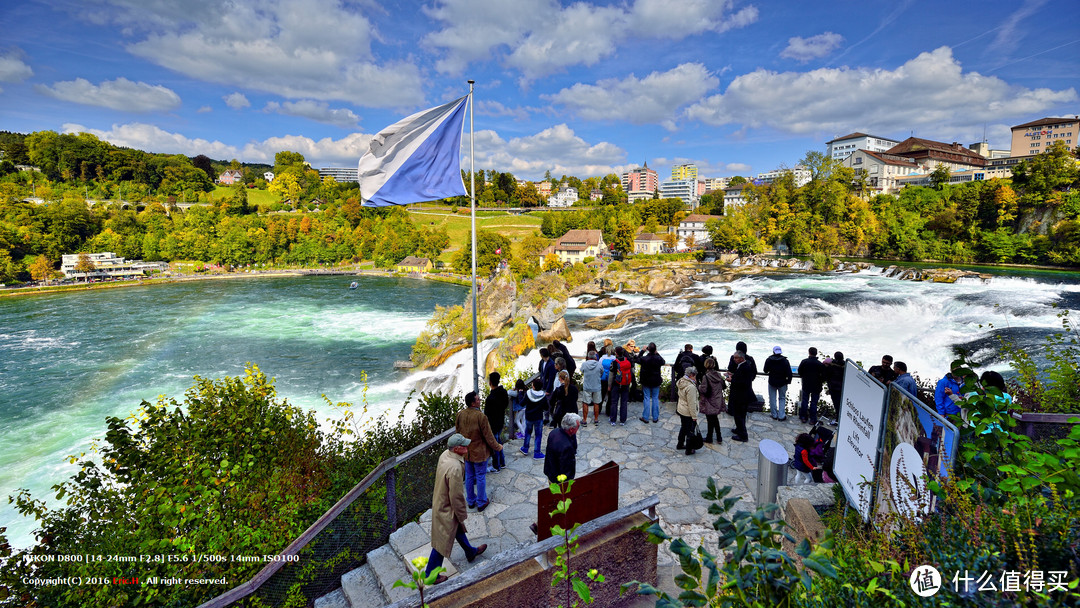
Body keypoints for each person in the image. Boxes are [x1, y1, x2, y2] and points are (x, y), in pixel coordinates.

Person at [424, 433, 487, 584]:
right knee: (442, 542)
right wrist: (461, 513)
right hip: (447, 508)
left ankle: (470, 552)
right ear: (457, 449)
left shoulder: (445, 454)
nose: (467, 446)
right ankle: (430, 575)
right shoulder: (455, 468)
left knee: (456, 529)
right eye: (464, 445)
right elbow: (456, 496)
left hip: (440, 501)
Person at [455, 391, 503, 511]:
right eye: (477, 399)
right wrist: (498, 447)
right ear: (473, 402)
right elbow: (489, 436)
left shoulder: (460, 414)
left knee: (469, 476)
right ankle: (481, 502)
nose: (479, 401)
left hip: (466, 452)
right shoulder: (481, 417)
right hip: (479, 453)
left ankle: (470, 501)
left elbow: (457, 433)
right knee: (480, 476)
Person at [544, 413, 581, 483]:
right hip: (559, 482)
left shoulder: (554, 432)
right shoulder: (567, 447)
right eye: (578, 427)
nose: (578, 429)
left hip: (550, 473)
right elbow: (566, 471)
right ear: (571, 429)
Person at [484, 372, 509, 472]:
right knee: (498, 442)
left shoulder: (490, 399)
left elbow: (486, 414)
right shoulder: (503, 392)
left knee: (495, 445)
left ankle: (496, 466)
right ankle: (502, 463)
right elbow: (506, 404)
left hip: (493, 425)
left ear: (490, 382)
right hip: (500, 421)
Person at [698, 356, 726, 444]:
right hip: (717, 399)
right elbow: (723, 386)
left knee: (710, 419)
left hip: (709, 400)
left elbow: (704, 389)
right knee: (715, 418)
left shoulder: (706, 377)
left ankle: (709, 437)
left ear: (706, 365)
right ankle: (719, 437)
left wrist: (699, 386)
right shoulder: (718, 375)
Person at [728, 351, 754, 442]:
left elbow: (743, 383)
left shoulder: (745, 367)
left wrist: (732, 380)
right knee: (738, 414)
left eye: (736, 358)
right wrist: (733, 376)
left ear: (741, 358)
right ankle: (739, 429)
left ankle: (743, 435)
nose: (734, 359)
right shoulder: (743, 366)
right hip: (741, 395)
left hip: (741, 396)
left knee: (740, 415)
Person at [762, 345, 792, 421]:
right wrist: (788, 381)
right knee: (782, 398)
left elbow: (765, 370)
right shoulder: (785, 361)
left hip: (772, 381)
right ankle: (781, 416)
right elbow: (789, 373)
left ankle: (774, 415)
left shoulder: (769, 360)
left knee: (772, 398)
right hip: (782, 382)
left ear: (773, 352)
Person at [637, 342, 665, 423]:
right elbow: (663, 361)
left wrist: (642, 351)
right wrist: (657, 353)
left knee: (646, 398)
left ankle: (645, 417)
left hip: (646, 380)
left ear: (648, 349)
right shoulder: (658, 358)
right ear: (655, 349)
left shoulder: (644, 359)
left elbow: (637, 359)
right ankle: (655, 417)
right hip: (656, 380)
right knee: (655, 398)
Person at [521, 378, 548, 459]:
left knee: (528, 432)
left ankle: (525, 449)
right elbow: (546, 407)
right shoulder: (543, 396)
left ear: (534, 386)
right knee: (538, 435)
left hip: (529, 417)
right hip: (538, 417)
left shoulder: (528, 393)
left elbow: (522, 403)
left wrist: (520, 394)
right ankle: (537, 453)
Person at [676, 367, 700, 455]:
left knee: (683, 427)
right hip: (687, 411)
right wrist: (694, 416)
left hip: (681, 408)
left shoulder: (681, 381)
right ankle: (689, 449)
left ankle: (680, 443)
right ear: (692, 375)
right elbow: (692, 403)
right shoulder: (691, 387)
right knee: (690, 431)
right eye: (695, 376)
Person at [798, 348, 825, 425]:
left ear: (809, 352)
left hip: (806, 384)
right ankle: (813, 419)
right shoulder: (820, 364)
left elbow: (800, 372)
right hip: (816, 386)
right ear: (816, 353)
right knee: (814, 403)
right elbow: (823, 376)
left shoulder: (804, 362)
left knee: (805, 401)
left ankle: (803, 417)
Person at [609, 347, 632, 425]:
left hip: (616, 384)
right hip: (626, 383)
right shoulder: (628, 360)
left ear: (616, 353)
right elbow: (631, 371)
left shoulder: (614, 362)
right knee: (624, 402)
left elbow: (611, 375)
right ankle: (622, 420)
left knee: (614, 402)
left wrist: (609, 386)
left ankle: (613, 420)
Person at [580, 351, 603, 425]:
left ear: (588, 357)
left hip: (587, 386)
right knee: (596, 403)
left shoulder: (584, 364)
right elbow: (601, 372)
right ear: (595, 357)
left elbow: (582, 371)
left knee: (585, 403)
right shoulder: (599, 364)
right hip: (597, 386)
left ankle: (584, 420)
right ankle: (596, 419)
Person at [825, 351, 846, 417]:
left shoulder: (832, 365)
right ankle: (840, 417)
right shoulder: (846, 365)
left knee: (836, 403)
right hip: (842, 387)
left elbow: (827, 375)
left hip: (833, 387)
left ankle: (838, 416)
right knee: (841, 404)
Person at [599, 344, 616, 417]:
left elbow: (599, 367)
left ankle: (598, 409)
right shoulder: (614, 359)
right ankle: (608, 411)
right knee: (610, 395)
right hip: (611, 378)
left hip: (603, 377)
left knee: (601, 394)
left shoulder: (602, 358)